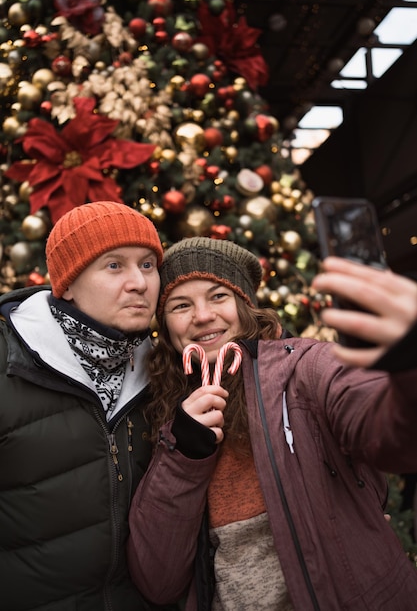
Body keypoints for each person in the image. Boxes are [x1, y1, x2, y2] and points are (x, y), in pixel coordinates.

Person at [127, 236, 417, 611]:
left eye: (218, 296)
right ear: (165, 326)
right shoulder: (164, 411)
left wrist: (409, 366)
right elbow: (157, 581)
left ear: (245, 305)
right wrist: (182, 454)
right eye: (181, 305)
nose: (201, 316)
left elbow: (393, 436)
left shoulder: (306, 368)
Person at [0, 201, 166, 611]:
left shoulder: (166, 371)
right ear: (68, 284)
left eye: (148, 265)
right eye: (114, 266)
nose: (139, 283)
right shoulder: (10, 364)